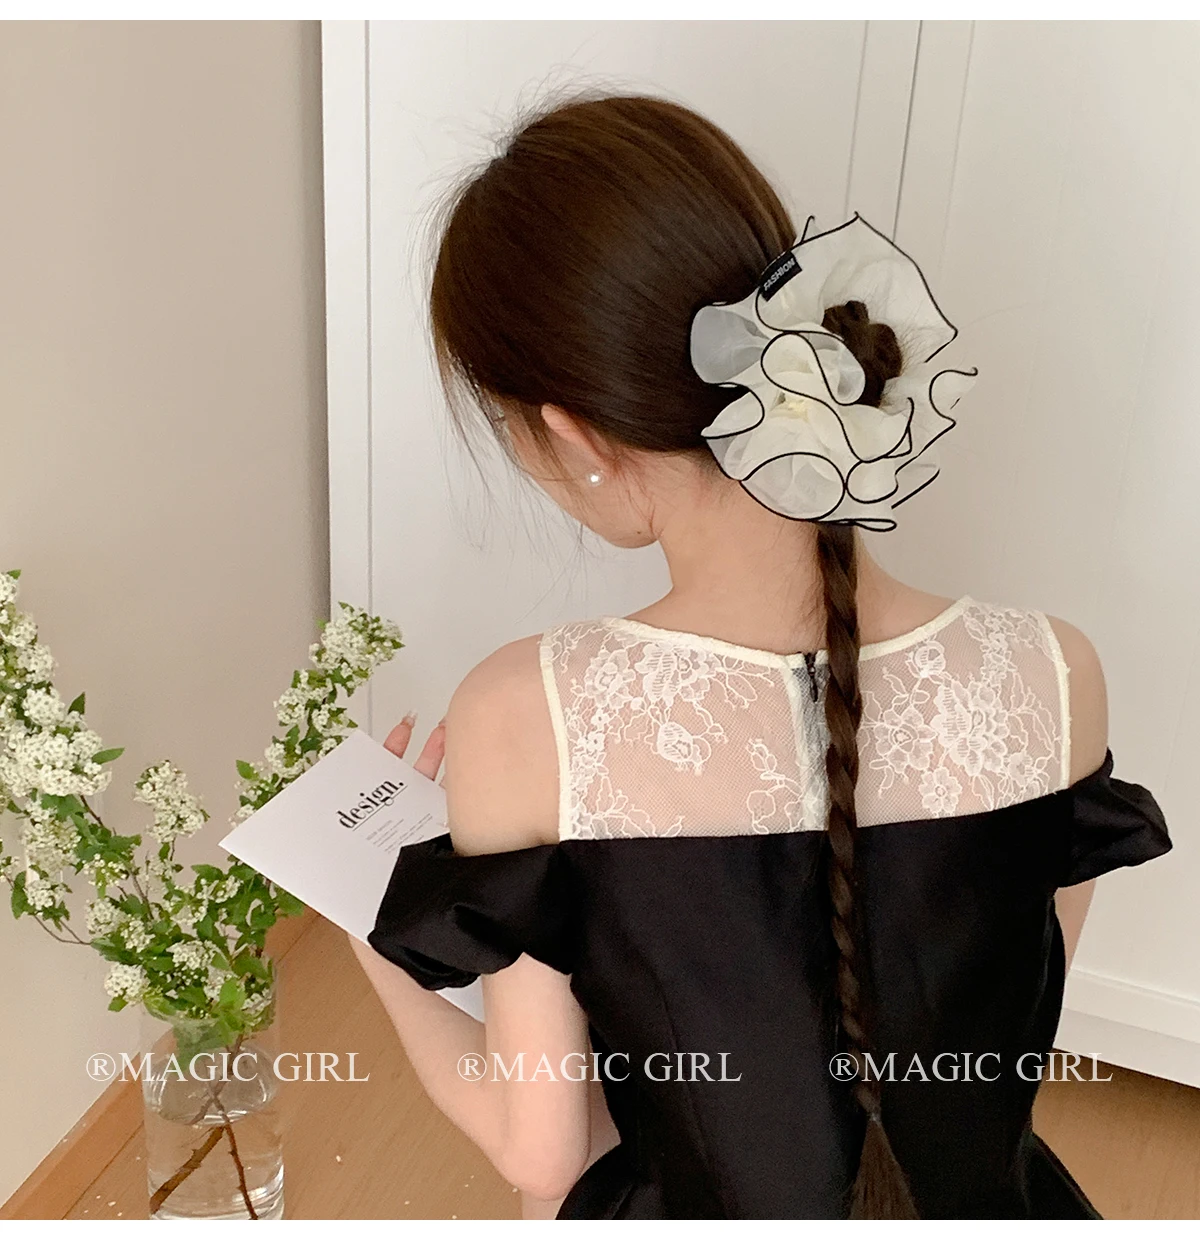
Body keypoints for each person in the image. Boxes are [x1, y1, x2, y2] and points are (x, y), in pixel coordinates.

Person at [347, 93, 1172, 1219]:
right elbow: (989, 1068)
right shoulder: (1055, 672)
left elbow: (544, 1152)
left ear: (573, 433)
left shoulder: (528, 714)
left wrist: (379, 930)